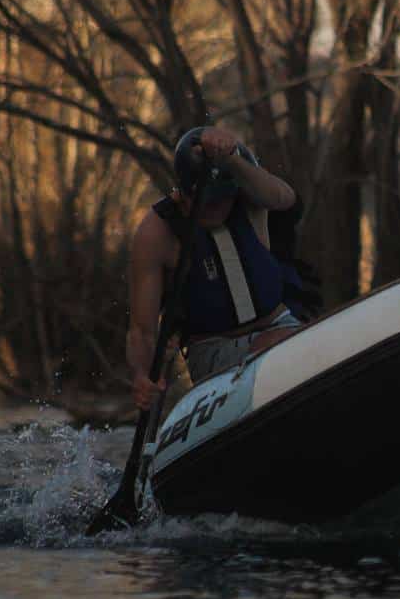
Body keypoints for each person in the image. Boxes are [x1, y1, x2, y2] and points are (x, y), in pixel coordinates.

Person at [127, 126, 310, 411]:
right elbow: (142, 331)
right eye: (206, 201)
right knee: (281, 344)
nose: (215, 208)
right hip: (214, 349)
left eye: (222, 199)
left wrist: (232, 158)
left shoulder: (251, 198)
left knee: (290, 341)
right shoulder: (156, 232)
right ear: (182, 193)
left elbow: (284, 198)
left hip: (281, 326)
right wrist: (142, 374)